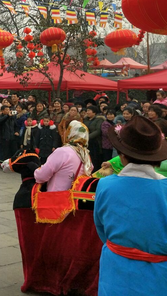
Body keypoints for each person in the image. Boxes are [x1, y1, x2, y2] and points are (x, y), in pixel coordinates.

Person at [94, 116, 167, 295]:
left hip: (115, 269)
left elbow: (101, 228)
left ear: (122, 155)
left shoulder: (105, 185)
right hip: (158, 275)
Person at [33, 120, 92, 191]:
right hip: (74, 198)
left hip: (57, 197)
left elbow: (42, 176)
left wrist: (36, 170)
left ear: (70, 133)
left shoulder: (63, 152)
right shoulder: (86, 155)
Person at [84, 106, 105, 171]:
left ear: (94, 112)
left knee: (95, 159)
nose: (87, 112)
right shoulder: (85, 120)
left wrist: (87, 137)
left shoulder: (99, 120)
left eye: (89, 110)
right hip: (86, 142)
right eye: (87, 110)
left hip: (95, 142)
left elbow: (98, 131)